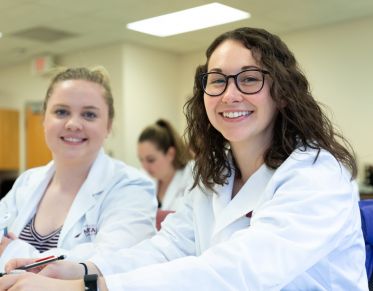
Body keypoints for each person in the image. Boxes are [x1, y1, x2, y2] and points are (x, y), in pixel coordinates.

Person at [0, 27, 368, 290]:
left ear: (283, 92)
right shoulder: (216, 173)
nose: (230, 94)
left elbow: (243, 272)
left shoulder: (316, 173)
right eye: (217, 80)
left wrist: (92, 287)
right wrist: (81, 268)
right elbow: (167, 249)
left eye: (250, 79)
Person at [0, 67, 157, 271]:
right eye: (61, 112)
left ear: (108, 125)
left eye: (89, 114)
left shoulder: (131, 186)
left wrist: (15, 252)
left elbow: (112, 264)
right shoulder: (27, 181)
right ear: (44, 120)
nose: (73, 124)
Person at [138, 119, 193, 210]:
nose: (145, 167)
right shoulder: (144, 178)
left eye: (151, 160)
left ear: (170, 154)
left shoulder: (190, 177)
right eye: (141, 160)